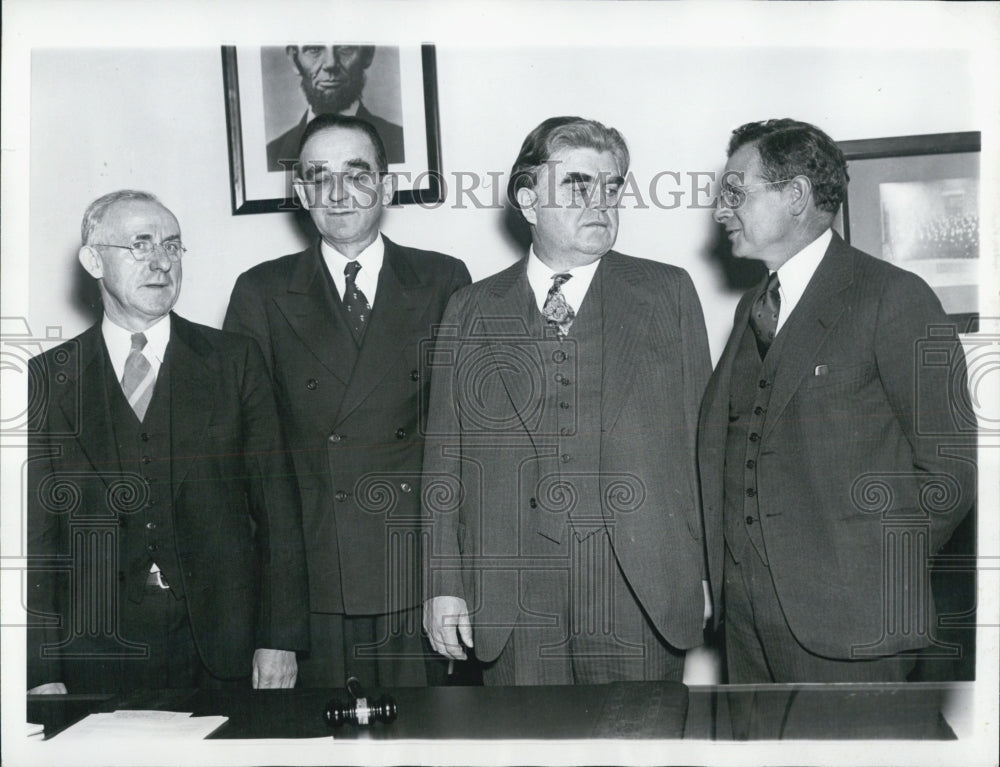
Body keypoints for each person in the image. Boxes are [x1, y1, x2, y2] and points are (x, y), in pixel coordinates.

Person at [422, 116, 712, 685]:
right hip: (513, 598)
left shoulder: (667, 292)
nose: (600, 202)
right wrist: (443, 584)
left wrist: (704, 574)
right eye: (579, 185)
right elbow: (444, 461)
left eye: (612, 187)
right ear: (528, 199)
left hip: (643, 590)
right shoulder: (471, 308)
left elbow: (702, 446)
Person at [700, 118, 977, 683]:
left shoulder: (894, 297)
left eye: (735, 192)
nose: (722, 212)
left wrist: (871, 572)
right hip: (749, 628)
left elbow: (952, 469)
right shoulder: (751, 305)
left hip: (856, 627)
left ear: (796, 195)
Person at [27, 190, 309, 694]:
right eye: (140, 245)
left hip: (225, 648)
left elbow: (278, 510)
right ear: (93, 259)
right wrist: (40, 671)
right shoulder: (48, 379)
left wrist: (280, 638)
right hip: (94, 655)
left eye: (173, 247)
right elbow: (37, 543)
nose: (161, 262)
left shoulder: (234, 360)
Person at [225, 114, 471, 688]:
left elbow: (465, 442)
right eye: (318, 176)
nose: (337, 193)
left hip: (419, 577)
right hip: (312, 582)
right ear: (302, 192)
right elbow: (251, 469)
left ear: (386, 187)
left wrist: (454, 579)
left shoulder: (443, 279)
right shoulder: (260, 291)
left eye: (357, 174)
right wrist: (273, 626)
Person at [267, 45, 404, 172]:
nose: (331, 64)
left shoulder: (403, 146)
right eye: (314, 49)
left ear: (367, 53)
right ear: (294, 60)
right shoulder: (270, 155)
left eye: (345, 48)